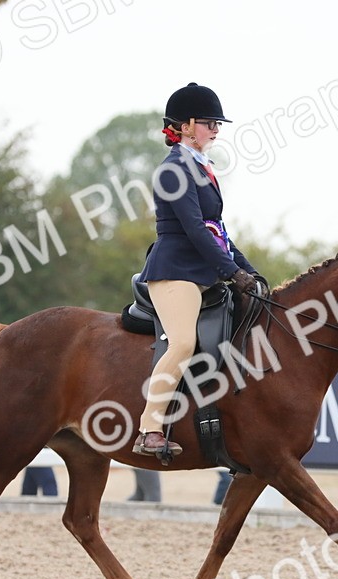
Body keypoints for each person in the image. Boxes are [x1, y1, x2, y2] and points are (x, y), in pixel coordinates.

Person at [132, 82, 260, 458]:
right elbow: (192, 230)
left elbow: (217, 231)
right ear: (186, 125)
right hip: (174, 271)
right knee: (183, 342)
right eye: (209, 123)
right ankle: (150, 429)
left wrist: (248, 270)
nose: (216, 130)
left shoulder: (202, 167)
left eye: (217, 124)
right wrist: (230, 272)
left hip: (201, 270)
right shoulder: (173, 170)